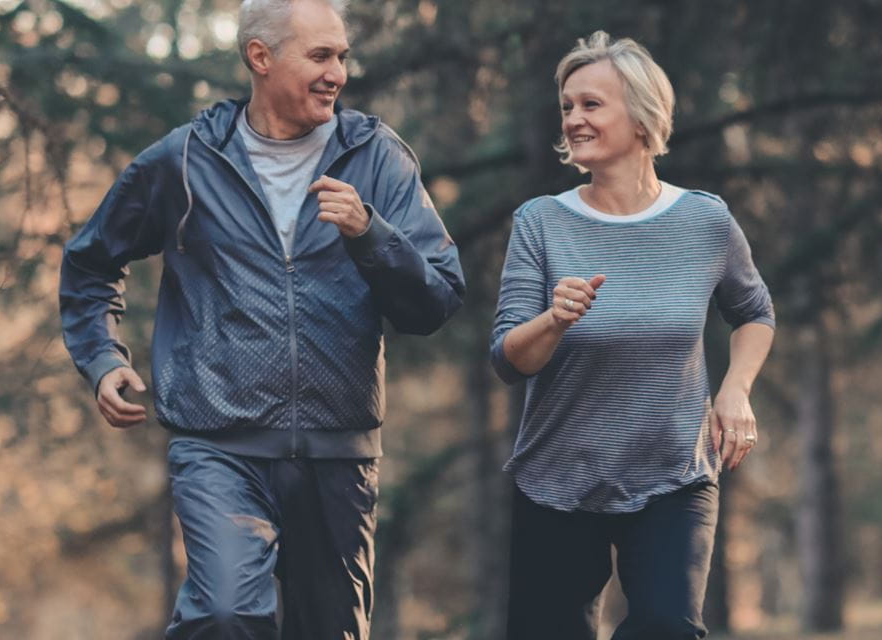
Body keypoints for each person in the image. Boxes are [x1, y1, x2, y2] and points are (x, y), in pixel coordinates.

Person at [58, 0, 465, 636]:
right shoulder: (186, 161)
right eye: (321, 56)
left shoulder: (376, 157)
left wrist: (369, 233)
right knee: (224, 615)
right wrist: (103, 356)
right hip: (220, 444)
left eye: (342, 56)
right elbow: (89, 265)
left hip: (338, 452)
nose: (338, 73)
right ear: (260, 57)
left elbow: (435, 300)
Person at [489, 30, 776, 639]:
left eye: (591, 104)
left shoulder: (705, 220)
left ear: (642, 117)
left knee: (669, 627)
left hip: (673, 472)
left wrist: (736, 390)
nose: (573, 120)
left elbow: (754, 311)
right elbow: (509, 358)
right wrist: (554, 319)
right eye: (567, 106)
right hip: (558, 477)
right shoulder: (541, 223)